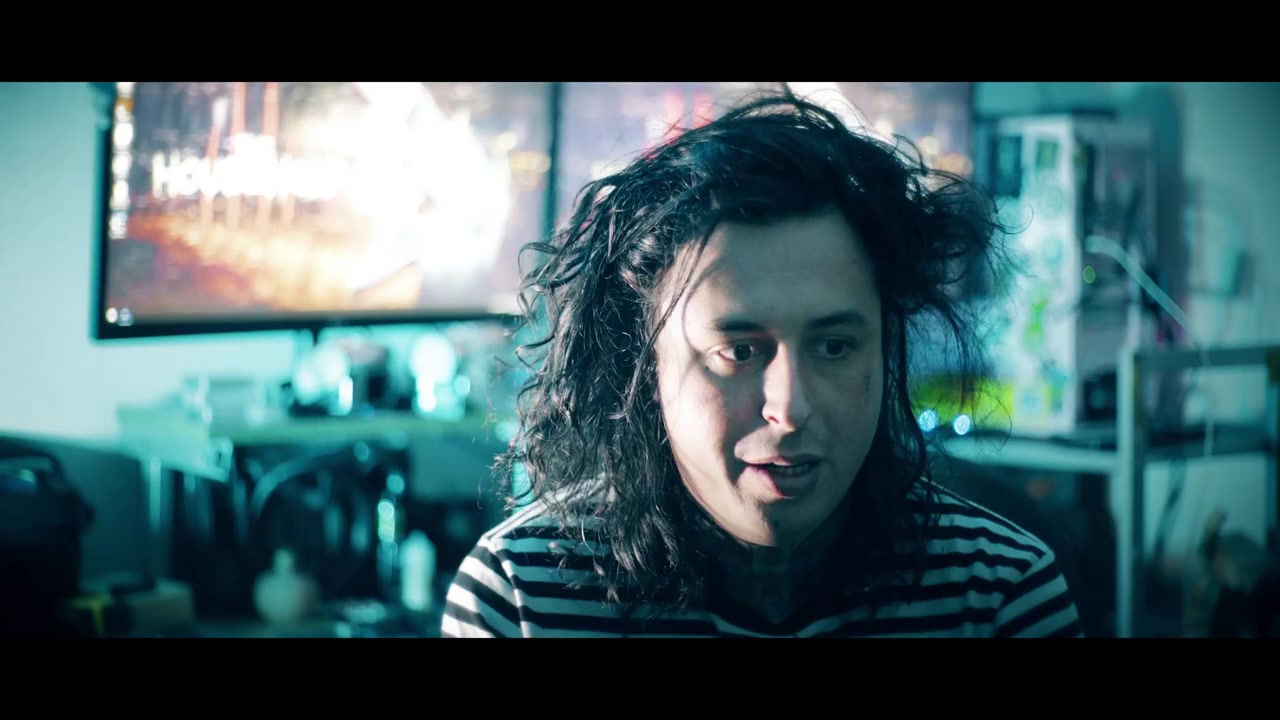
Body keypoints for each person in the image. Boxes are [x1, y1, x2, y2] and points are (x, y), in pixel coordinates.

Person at [440, 89, 1084, 638]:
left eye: (834, 346)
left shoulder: (998, 594)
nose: (791, 407)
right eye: (738, 352)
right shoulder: (523, 596)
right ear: (647, 363)